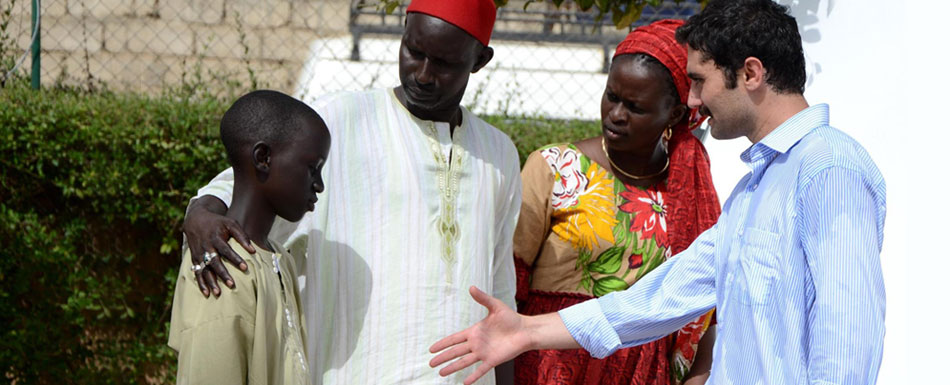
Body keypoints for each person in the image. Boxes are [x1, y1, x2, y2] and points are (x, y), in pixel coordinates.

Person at [428, 1, 887, 384]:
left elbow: (847, 343)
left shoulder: (828, 168)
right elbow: (661, 297)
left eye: (700, 81)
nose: (693, 103)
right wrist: (528, 332)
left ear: (750, 73)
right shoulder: (756, 186)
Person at [180, 0, 521, 384]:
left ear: (480, 60)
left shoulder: (499, 154)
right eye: (413, 51)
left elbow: (500, 294)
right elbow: (241, 180)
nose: (423, 75)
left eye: (444, 63)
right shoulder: (340, 119)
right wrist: (203, 213)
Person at [512, 19, 718, 385]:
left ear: (673, 114)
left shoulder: (689, 188)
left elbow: (704, 304)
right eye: (612, 96)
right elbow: (510, 284)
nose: (616, 115)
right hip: (549, 366)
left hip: (642, 373)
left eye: (635, 107)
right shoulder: (556, 169)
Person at [168, 90, 331, 385]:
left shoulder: (280, 260)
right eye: (312, 168)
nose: (319, 185)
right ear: (263, 158)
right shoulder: (223, 266)